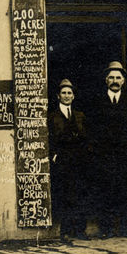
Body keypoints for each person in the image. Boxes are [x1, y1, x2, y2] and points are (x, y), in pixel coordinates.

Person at [93, 60, 127, 238]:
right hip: (105, 155)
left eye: (118, 77)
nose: (115, 81)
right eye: (111, 77)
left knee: (126, 191)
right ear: (106, 80)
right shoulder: (97, 102)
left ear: (123, 81)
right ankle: (105, 229)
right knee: (105, 191)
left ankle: (125, 228)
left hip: (126, 155)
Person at [47, 78, 90, 243]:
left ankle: (80, 230)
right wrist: (54, 155)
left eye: (69, 93)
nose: (66, 96)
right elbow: (49, 138)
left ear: (73, 96)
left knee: (80, 194)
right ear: (58, 96)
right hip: (63, 160)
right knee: (64, 194)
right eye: (63, 93)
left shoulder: (80, 116)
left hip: (79, 160)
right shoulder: (52, 116)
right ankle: (65, 230)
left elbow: (87, 137)